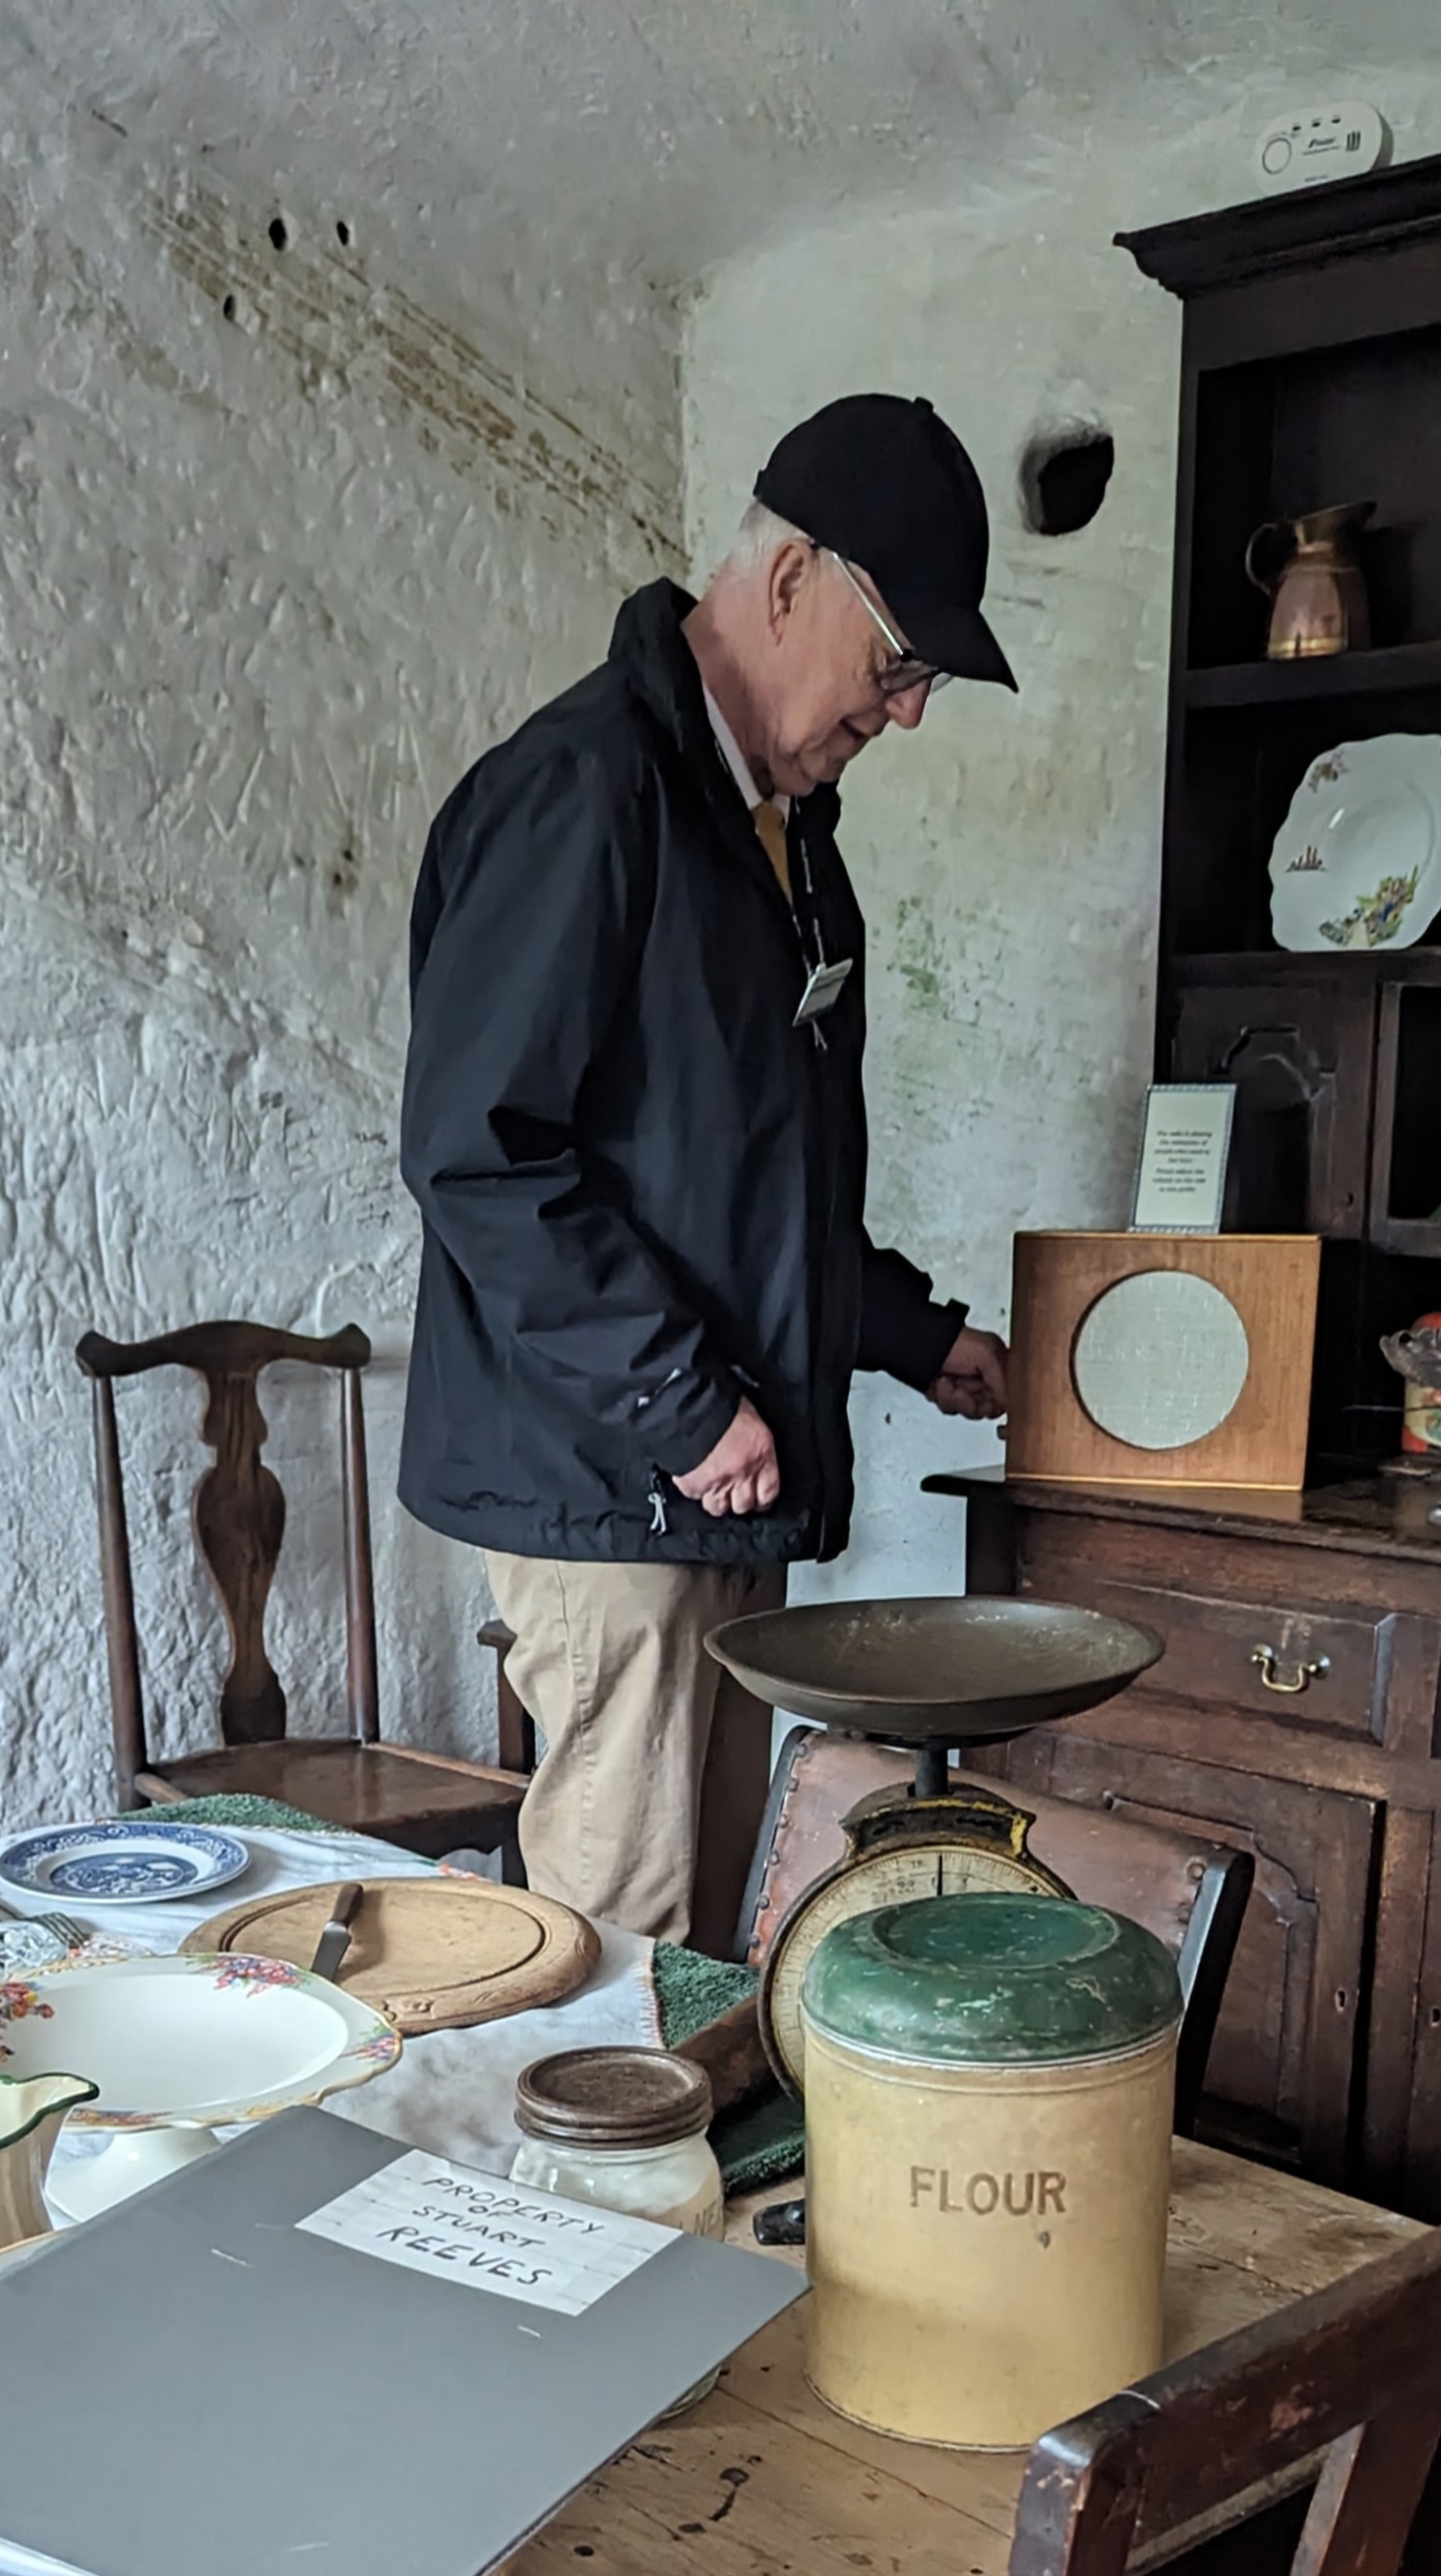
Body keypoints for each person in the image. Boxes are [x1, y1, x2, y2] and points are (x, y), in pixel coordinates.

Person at [397, 392, 1015, 1945]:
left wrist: (912, 1332)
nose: (910, 712)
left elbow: (750, 1180)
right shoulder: (585, 792)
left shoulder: (782, 835)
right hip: (617, 1478)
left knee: (709, 1931)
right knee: (625, 1951)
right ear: (791, 578)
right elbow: (479, 1154)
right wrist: (679, 1401)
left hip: (714, 1479)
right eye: (902, 662)